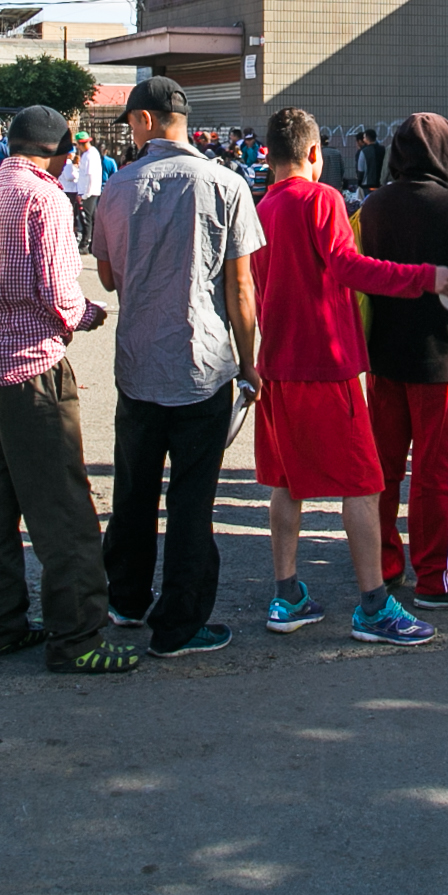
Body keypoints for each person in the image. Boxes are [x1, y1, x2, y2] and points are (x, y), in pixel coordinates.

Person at [254, 107, 448, 644]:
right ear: (315, 153)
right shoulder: (322, 199)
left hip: (276, 362)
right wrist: (427, 277)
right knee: (365, 485)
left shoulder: (263, 205)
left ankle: (287, 592)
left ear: (269, 154)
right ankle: (373, 605)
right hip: (327, 362)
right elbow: (350, 267)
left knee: (286, 483)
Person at [0, 106, 136, 676]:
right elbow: (61, 294)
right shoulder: (47, 200)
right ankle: (79, 634)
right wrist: (92, 314)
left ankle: (2, 624)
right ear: (60, 151)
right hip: (33, 369)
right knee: (64, 508)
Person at [94, 77, 265, 659]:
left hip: (139, 363)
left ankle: (126, 599)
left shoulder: (117, 187)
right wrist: (251, 363)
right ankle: (180, 624)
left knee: (134, 490)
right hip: (204, 365)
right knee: (193, 501)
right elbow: (242, 288)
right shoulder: (229, 183)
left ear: (145, 121)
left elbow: (109, 276)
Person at [358, 112, 448, 610]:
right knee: (437, 474)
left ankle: (385, 566)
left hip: (383, 355)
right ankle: (436, 576)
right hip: (442, 355)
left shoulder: (374, 206)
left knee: (384, 469)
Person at [61, 127, 104, 252]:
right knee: (91, 218)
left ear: (81, 144)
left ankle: (86, 243)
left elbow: (90, 176)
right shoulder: (91, 153)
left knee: (86, 219)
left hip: (88, 192)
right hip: (90, 191)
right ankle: (92, 243)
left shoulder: (89, 156)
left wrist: (85, 194)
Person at [353, 128, 386, 194]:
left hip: (367, 183)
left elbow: (361, 169)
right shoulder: (383, 149)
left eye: (364, 137)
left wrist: (359, 181)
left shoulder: (364, 151)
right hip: (381, 183)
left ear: (367, 138)